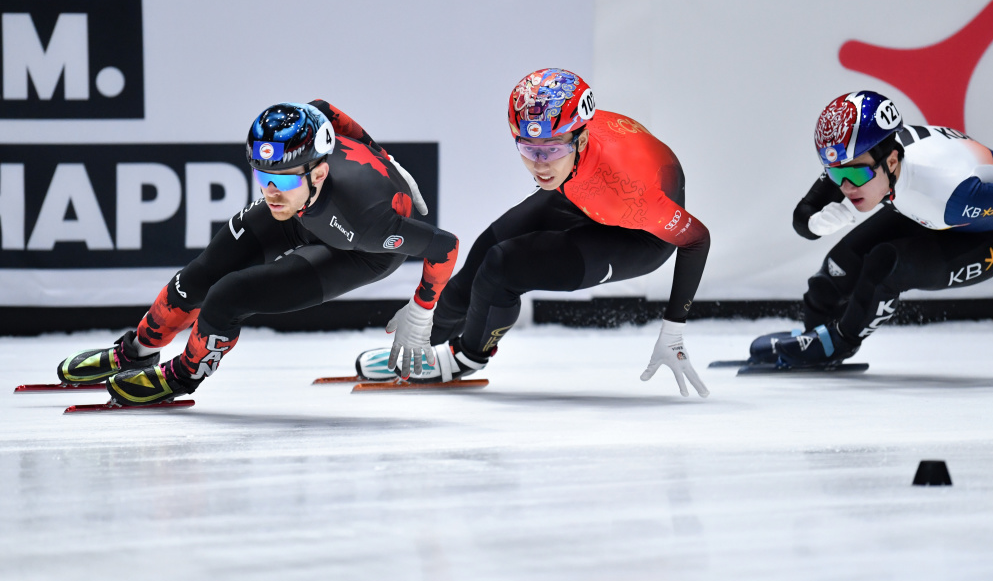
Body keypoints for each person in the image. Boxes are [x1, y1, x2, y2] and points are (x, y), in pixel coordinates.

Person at [57, 100, 459, 404]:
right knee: (197, 278)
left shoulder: (370, 221)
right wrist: (382, 153)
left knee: (228, 296)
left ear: (319, 172)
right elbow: (321, 107)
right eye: (262, 176)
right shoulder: (292, 179)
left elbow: (445, 245)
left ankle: (184, 375)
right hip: (303, 213)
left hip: (355, 250)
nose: (269, 191)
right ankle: (135, 351)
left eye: (280, 179)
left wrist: (422, 310)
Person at [356, 68, 712, 397]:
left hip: (639, 234)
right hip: (584, 190)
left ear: (582, 138)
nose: (540, 164)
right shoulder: (566, 146)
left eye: (552, 150)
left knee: (502, 266)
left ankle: (466, 358)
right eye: (528, 148)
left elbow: (697, 238)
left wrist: (673, 331)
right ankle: (422, 344)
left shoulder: (632, 193)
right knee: (487, 246)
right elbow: (557, 158)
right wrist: (558, 156)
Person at [750, 90, 993, 367]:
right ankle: (816, 334)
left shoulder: (955, 190)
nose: (845, 187)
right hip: (922, 211)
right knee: (836, 269)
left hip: (985, 235)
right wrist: (815, 224)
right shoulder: (864, 156)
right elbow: (804, 215)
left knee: (885, 264)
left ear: (892, 162)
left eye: (855, 174)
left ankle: (838, 344)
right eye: (835, 173)